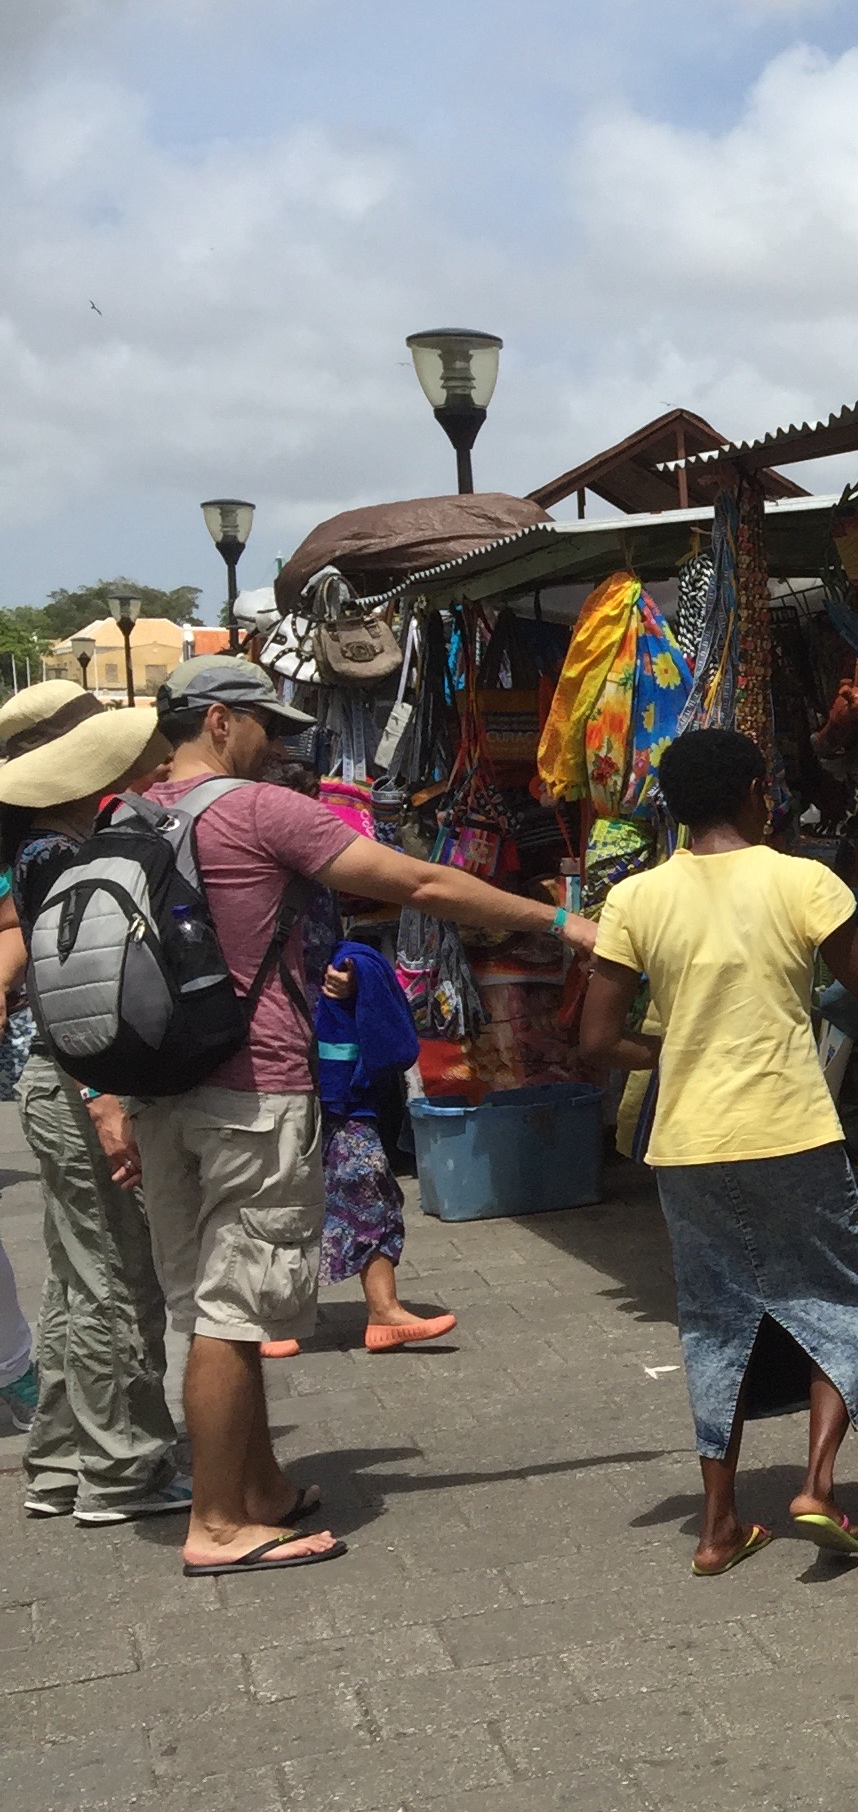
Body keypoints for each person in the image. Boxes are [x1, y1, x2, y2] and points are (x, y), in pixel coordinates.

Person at [103, 658, 595, 1577]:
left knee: (214, 1304)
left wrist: (106, 1098)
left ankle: (259, 1490)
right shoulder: (256, 810)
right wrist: (559, 921)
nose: (279, 742)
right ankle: (217, 1525)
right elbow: (422, 884)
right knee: (231, 1307)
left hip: (159, 1089)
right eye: (265, 725)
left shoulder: (125, 815)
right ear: (217, 721)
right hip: (252, 1088)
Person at [578, 727, 858, 1577]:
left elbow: (596, 1039)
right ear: (752, 790)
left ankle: (717, 1527)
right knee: (836, 1302)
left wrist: (667, 1051)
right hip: (790, 1129)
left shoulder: (635, 899)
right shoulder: (800, 879)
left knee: (714, 1319)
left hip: (689, 1144)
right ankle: (814, 1484)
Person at [0, 683, 152, 1508]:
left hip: (56, 1079)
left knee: (75, 1272)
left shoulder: (39, 849)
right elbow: (75, 993)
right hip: (76, 1078)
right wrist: (104, 1093)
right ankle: (121, 1464)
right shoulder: (59, 855)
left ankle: (60, 1460)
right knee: (115, 1279)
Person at [252, 756, 449, 1358]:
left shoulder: (321, 872)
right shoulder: (237, 873)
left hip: (330, 1056)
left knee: (365, 1174)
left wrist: (353, 973)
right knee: (270, 1186)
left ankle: (384, 1310)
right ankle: (272, 1318)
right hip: (261, 1058)